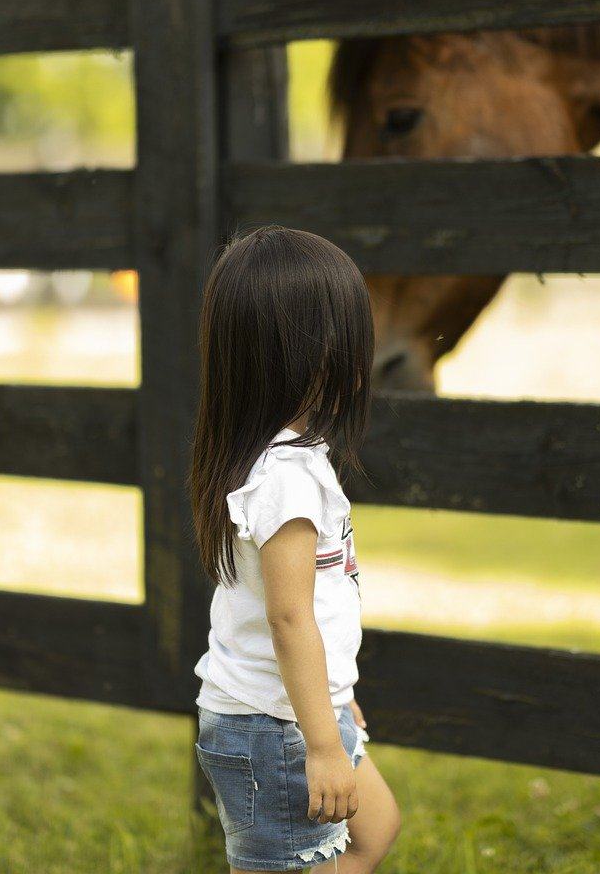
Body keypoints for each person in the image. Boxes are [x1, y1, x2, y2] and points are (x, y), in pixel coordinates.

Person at [189, 226, 401, 873]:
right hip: (273, 731)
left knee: (373, 830)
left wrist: (333, 694)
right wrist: (321, 744)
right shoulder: (286, 479)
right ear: (317, 353)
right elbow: (287, 616)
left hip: (290, 715)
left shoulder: (280, 461)